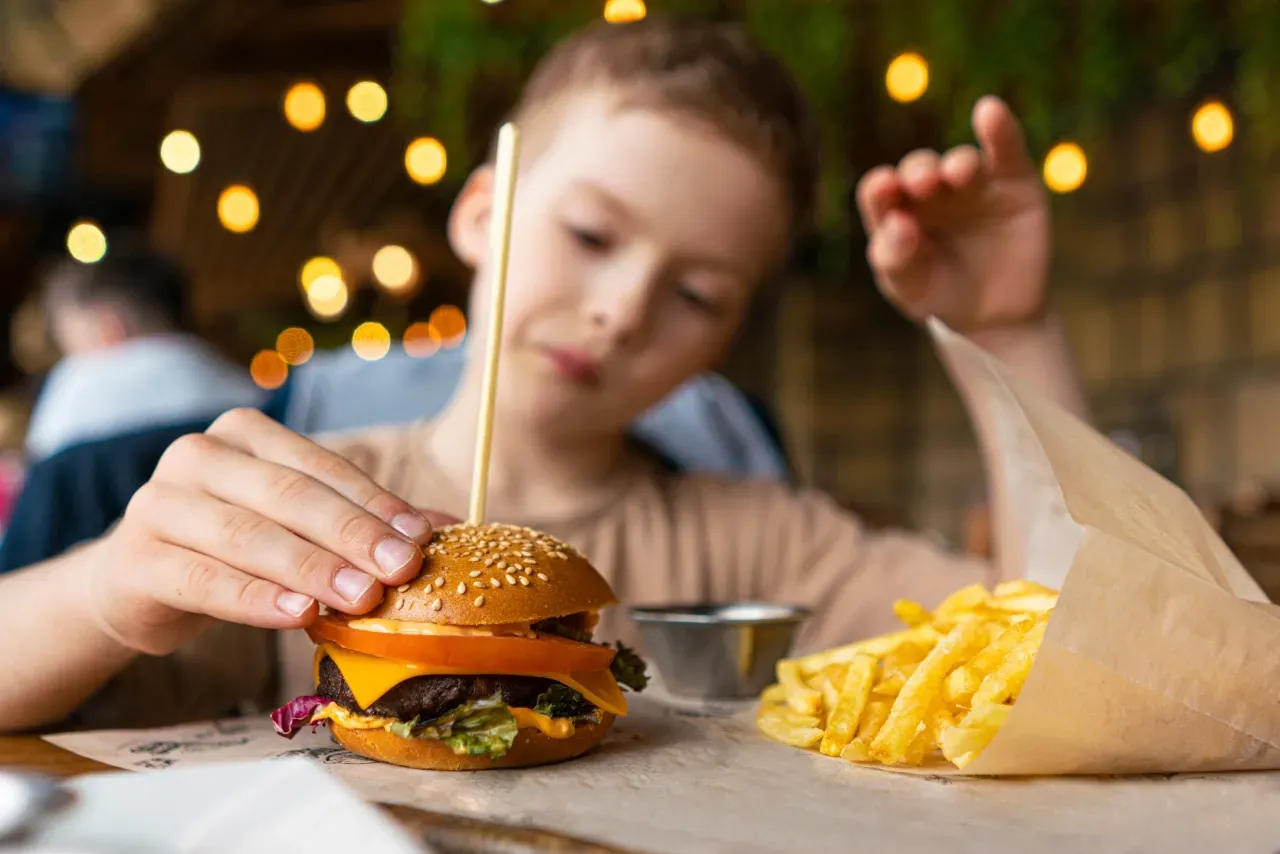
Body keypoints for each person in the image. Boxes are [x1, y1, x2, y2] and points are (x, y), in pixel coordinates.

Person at [0, 17, 1082, 733]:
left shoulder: (766, 541)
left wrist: (1008, 334)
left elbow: (1068, 640)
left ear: (727, 338)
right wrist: (107, 588)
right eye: (589, 235)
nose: (620, 311)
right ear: (480, 214)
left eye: (696, 295)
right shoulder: (309, 511)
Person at [23, 243, 265, 460]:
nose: (71, 356)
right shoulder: (244, 389)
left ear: (109, 328)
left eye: (70, 342)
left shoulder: (77, 387)